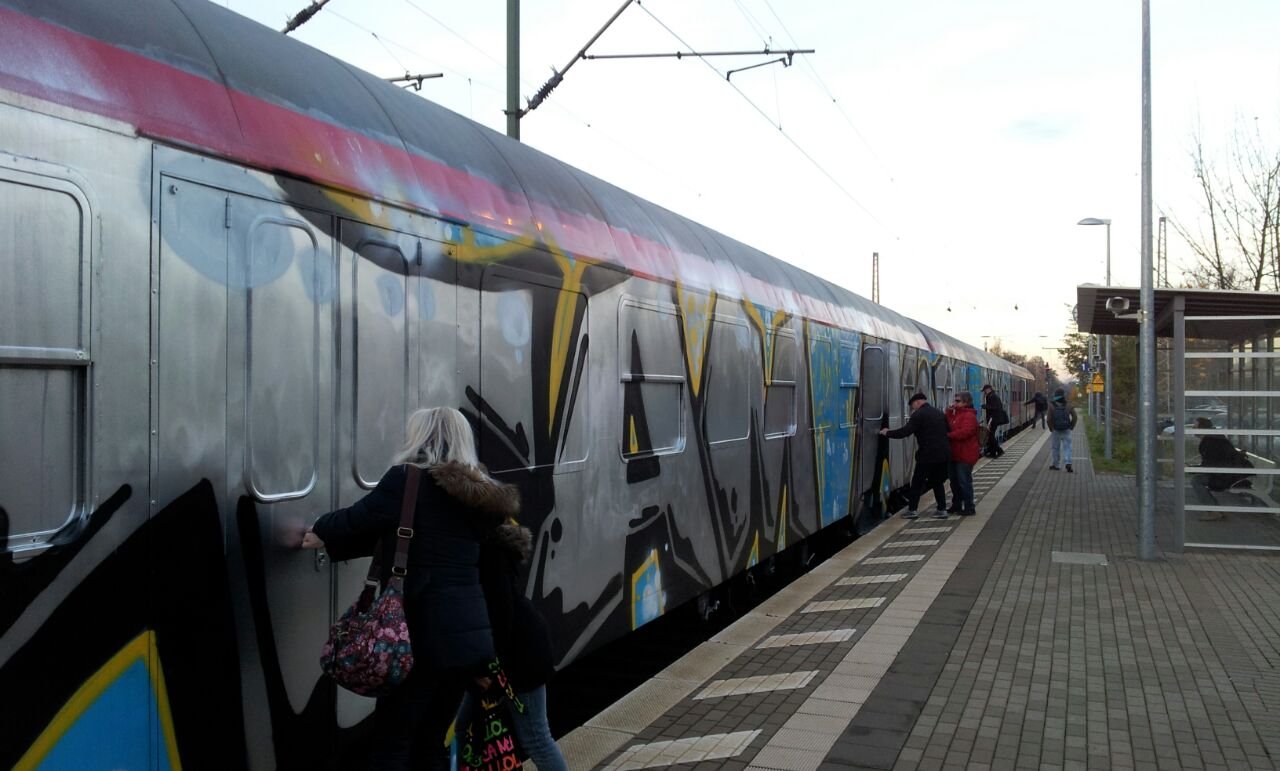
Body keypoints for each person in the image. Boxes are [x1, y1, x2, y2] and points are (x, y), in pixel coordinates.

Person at [301, 407, 520, 770]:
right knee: (431, 741)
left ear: (420, 437)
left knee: (393, 743)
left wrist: (319, 529)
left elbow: (359, 518)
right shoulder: (481, 496)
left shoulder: (407, 480)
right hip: (465, 642)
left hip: (419, 637)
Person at [466, 521, 569, 771]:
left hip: (521, 653)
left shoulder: (488, 550)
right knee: (461, 727)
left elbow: (501, 615)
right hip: (520, 645)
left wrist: (487, 666)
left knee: (537, 739)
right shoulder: (493, 544)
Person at [880, 392, 951, 519]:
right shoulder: (939, 413)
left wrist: (887, 433)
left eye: (913, 406)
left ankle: (912, 510)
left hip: (927, 455)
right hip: (942, 454)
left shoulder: (918, 415)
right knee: (937, 482)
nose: (913, 408)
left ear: (917, 402)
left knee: (917, 483)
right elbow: (948, 431)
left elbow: (905, 432)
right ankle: (942, 509)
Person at [1190, 417, 1251, 521]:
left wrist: (1194, 469)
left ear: (1202, 428)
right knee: (1197, 478)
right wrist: (1196, 468)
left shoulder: (1211, 442)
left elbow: (1212, 464)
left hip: (1227, 475)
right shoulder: (1213, 438)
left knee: (1196, 481)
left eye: (1195, 426)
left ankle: (1213, 511)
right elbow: (1213, 462)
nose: (1192, 429)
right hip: (1227, 472)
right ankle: (1216, 510)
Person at [945, 392, 980, 516]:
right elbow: (949, 425)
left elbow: (965, 432)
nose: (954, 403)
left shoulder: (969, 416)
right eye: (955, 400)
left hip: (965, 454)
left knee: (964, 481)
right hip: (955, 453)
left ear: (966, 402)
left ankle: (969, 507)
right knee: (954, 481)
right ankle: (957, 504)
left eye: (958, 401)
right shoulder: (956, 414)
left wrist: (948, 436)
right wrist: (948, 412)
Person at [1047, 388, 1078, 472]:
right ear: (1063, 395)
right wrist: (1071, 426)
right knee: (1067, 447)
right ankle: (1068, 462)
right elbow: (1075, 416)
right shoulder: (1068, 405)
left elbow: (1049, 419)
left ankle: (1056, 465)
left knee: (1055, 448)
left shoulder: (1051, 405)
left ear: (1056, 395)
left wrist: (1051, 428)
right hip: (1066, 429)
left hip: (1055, 430)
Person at [980, 385, 1007, 458]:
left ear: (989, 389)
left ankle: (998, 451)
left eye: (985, 390)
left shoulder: (992, 396)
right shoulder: (992, 395)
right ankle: (994, 452)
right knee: (990, 436)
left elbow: (995, 407)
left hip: (993, 418)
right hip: (994, 418)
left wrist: (986, 406)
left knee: (991, 436)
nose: (984, 392)